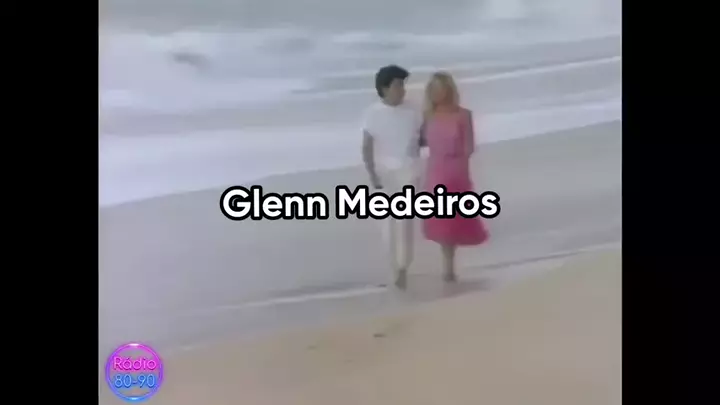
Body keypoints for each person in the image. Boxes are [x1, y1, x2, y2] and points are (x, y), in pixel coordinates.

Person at [421, 71, 489, 282]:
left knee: (454, 221)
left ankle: (449, 267)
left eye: (440, 88)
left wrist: (460, 170)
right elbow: (419, 142)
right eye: (433, 89)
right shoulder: (428, 116)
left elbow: (469, 148)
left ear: (449, 90)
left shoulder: (463, 115)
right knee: (441, 221)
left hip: (455, 172)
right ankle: (447, 267)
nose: (436, 93)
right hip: (435, 171)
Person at [361, 65, 424, 289]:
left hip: (409, 171)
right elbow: (367, 147)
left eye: (403, 85)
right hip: (384, 173)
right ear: (384, 88)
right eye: (398, 85)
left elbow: (423, 137)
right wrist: (372, 175)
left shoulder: (413, 110)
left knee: (405, 222)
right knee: (386, 225)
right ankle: (394, 268)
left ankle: (403, 269)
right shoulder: (372, 113)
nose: (402, 90)